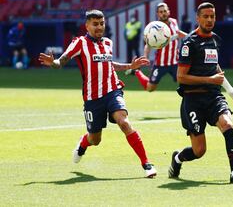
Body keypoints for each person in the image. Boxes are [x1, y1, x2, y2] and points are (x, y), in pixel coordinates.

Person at [38, 10, 157, 178]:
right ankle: (83, 144)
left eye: (102, 23)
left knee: (124, 122)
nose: (99, 27)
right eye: (95, 24)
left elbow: (109, 65)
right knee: (95, 139)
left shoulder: (108, 42)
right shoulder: (79, 43)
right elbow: (61, 61)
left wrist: (130, 66)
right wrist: (53, 63)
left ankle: (146, 163)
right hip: (92, 98)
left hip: (112, 91)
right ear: (87, 26)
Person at [168, 2, 233, 184]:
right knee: (199, 151)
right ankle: (177, 159)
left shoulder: (215, 39)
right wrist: (210, 80)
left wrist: (230, 90)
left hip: (213, 97)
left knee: (228, 125)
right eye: (205, 16)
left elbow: (215, 68)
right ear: (197, 18)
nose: (210, 19)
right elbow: (181, 77)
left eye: (212, 16)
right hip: (193, 99)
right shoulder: (189, 43)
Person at [126, 2, 188, 92]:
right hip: (160, 64)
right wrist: (145, 56)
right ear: (157, 14)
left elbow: (178, 33)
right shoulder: (154, 27)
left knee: (185, 83)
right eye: (161, 12)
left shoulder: (174, 22)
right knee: (150, 88)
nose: (163, 13)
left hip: (175, 62)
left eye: (165, 11)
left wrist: (190, 36)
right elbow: (148, 44)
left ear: (168, 12)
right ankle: (137, 71)